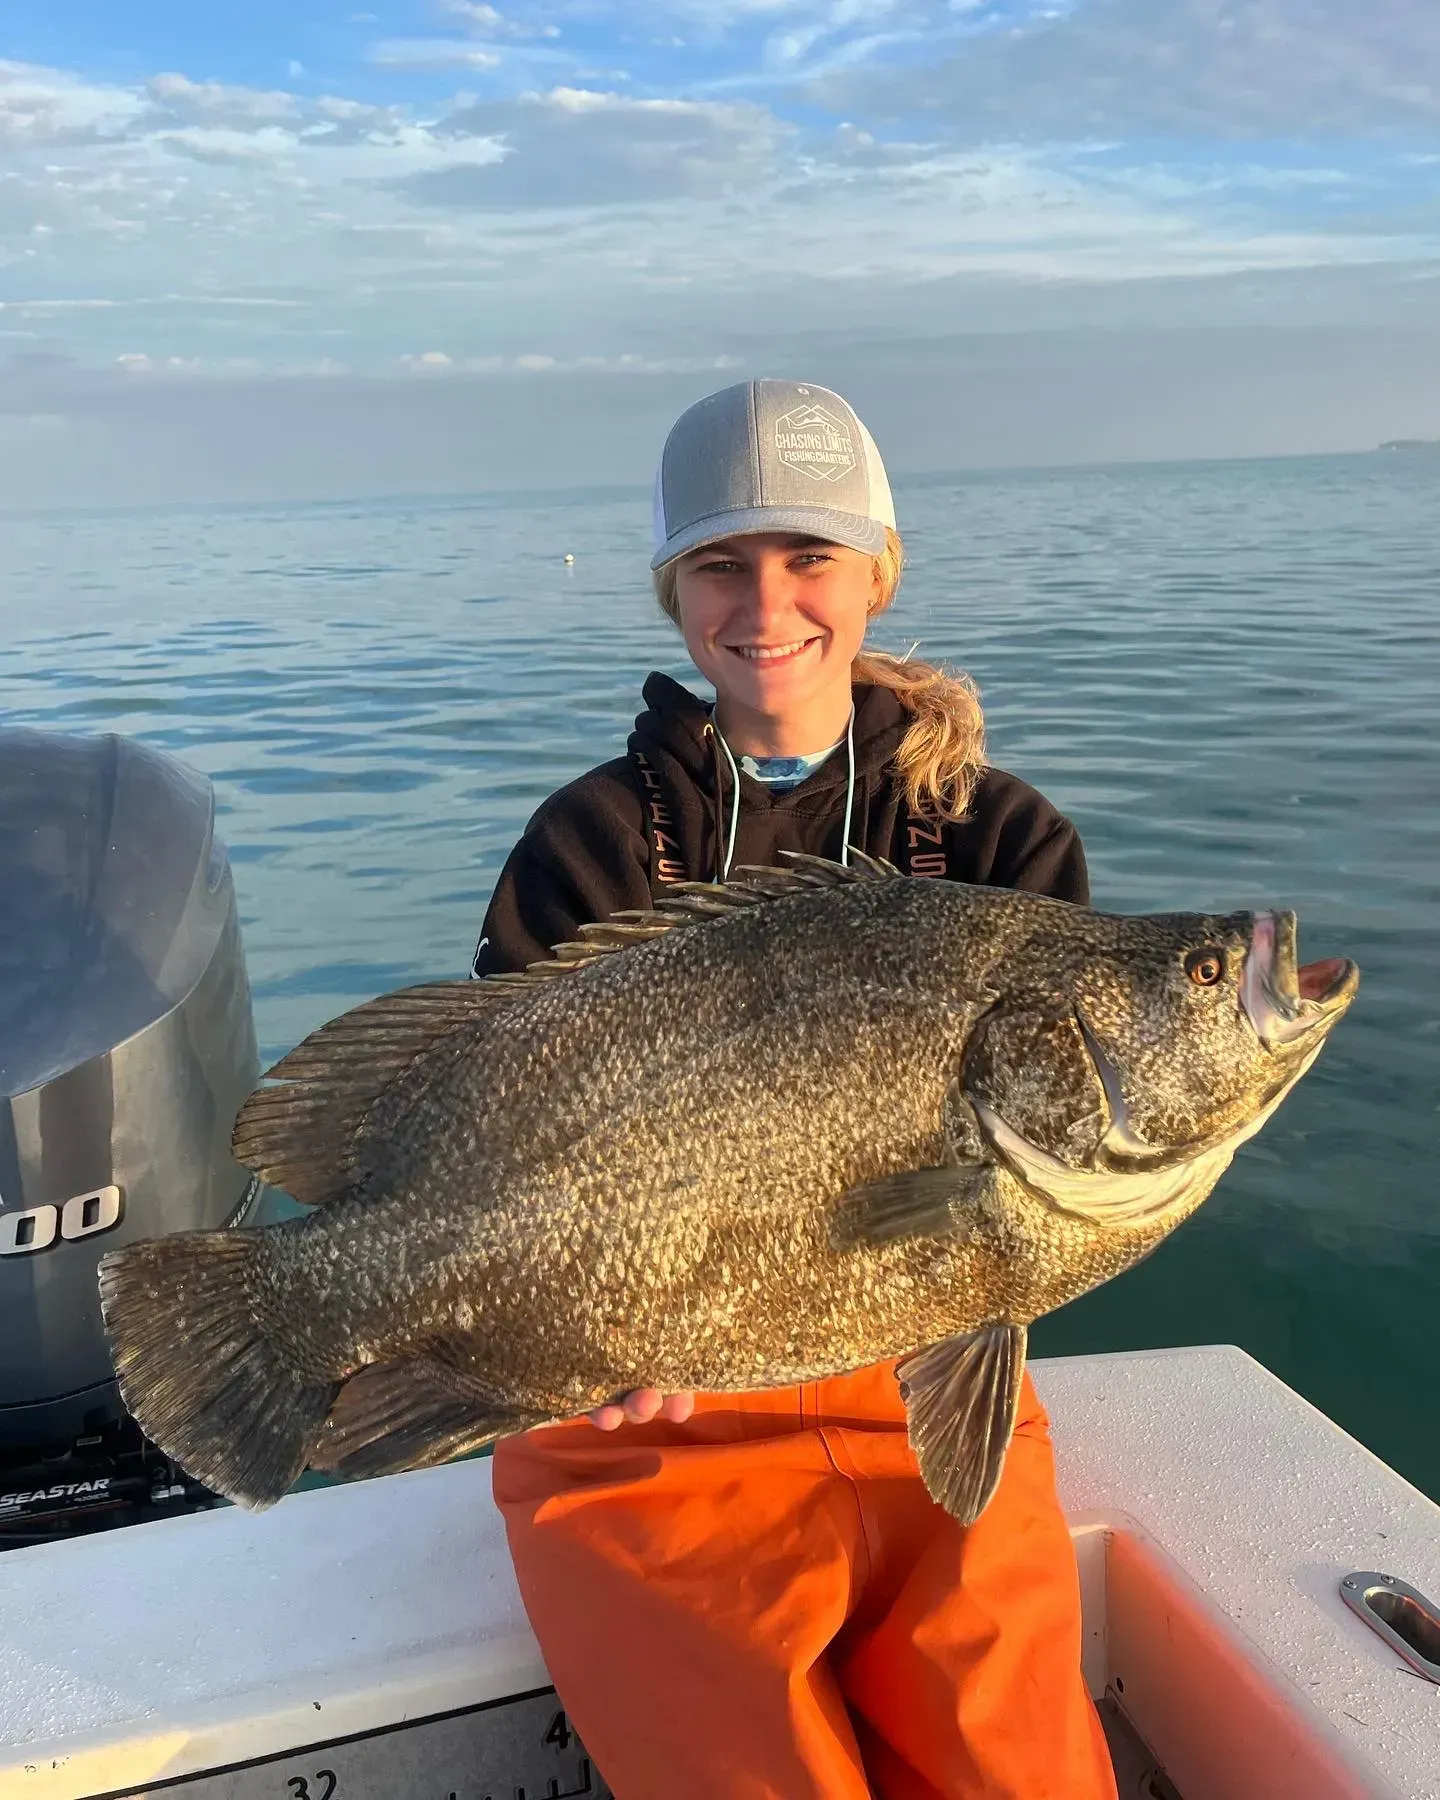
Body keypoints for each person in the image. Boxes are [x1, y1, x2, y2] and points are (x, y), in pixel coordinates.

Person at [472, 379, 1118, 1800]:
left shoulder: (1004, 839)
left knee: (1027, 1773)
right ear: (672, 591)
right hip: (653, 1418)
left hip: (928, 1383)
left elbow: (1037, 1195)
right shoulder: (589, 838)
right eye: (721, 561)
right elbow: (495, 1118)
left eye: (810, 555)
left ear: (880, 571)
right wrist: (586, 1332)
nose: (767, 600)